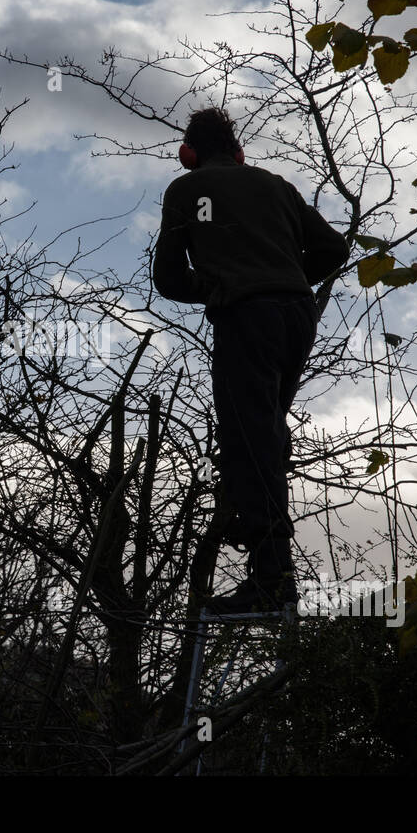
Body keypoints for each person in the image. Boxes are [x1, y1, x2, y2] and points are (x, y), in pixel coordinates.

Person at [153, 106, 348, 614]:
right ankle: (254, 523)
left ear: (187, 153)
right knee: (265, 428)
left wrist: (223, 284)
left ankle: (270, 578)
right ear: (239, 152)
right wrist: (287, 276)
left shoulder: (186, 191)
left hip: (248, 318)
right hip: (296, 316)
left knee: (251, 436)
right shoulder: (276, 185)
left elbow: (169, 280)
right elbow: (333, 246)